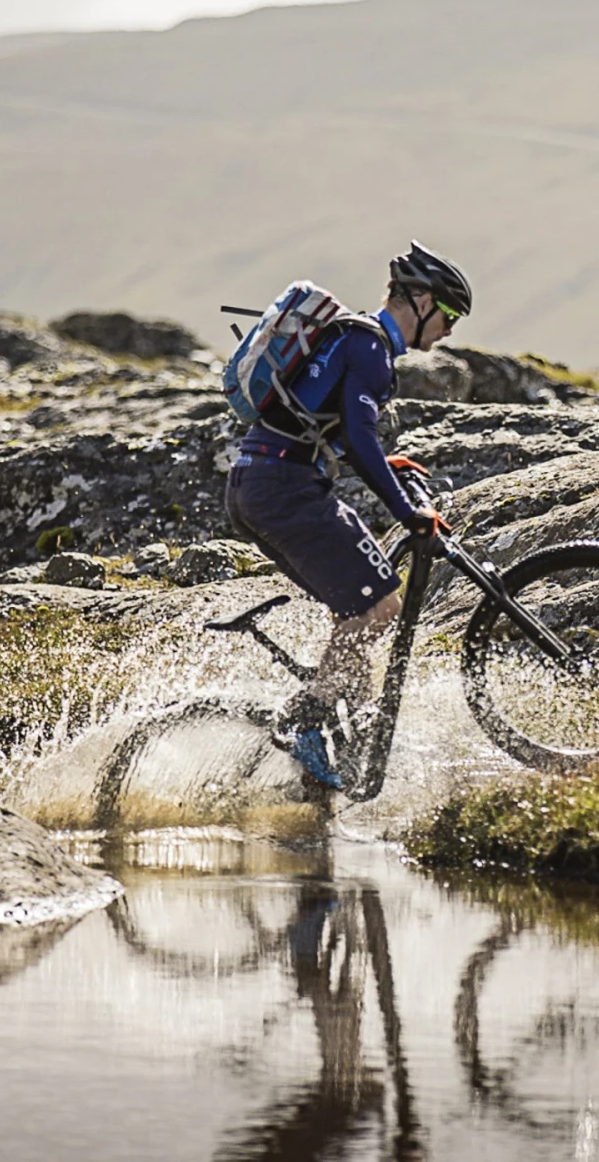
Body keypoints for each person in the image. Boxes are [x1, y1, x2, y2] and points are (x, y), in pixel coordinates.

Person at [225, 242, 474, 791]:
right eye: (450, 316)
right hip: (285, 490)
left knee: (355, 616)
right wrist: (408, 512)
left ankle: (323, 765)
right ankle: (305, 722)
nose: (451, 331)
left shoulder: (352, 336)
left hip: (258, 483)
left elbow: (327, 424)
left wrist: (387, 463)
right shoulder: (371, 348)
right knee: (381, 605)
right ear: (423, 300)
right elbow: (358, 437)